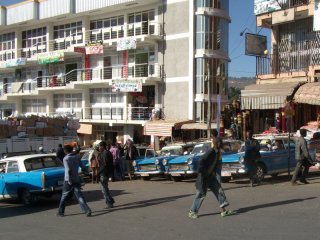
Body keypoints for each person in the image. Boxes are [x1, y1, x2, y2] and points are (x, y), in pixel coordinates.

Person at [188, 144, 235, 219]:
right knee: (200, 194)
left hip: (211, 177)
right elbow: (201, 160)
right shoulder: (211, 151)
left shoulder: (218, 153)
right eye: (220, 143)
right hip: (204, 177)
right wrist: (203, 172)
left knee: (218, 190)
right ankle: (192, 211)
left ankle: (223, 211)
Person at [57, 145, 92, 217]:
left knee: (64, 196)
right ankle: (87, 210)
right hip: (76, 179)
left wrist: (69, 180)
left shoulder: (65, 159)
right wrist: (87, 171)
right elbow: (83, 166)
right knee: (79, 196)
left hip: (68, 180)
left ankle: (61, 212)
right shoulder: (77, 157)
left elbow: (68, 170)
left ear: (65, 151)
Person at [98, 141, 115, 208]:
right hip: (106, 173)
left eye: (99, 146)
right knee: (105, 188)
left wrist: (98, 172)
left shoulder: (105, 153)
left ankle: (109, 203)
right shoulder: (107, 153)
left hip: (104, 173)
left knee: (104, 189)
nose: (99, 148)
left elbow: (105, 165)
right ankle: (110, 200)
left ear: (102, 146)